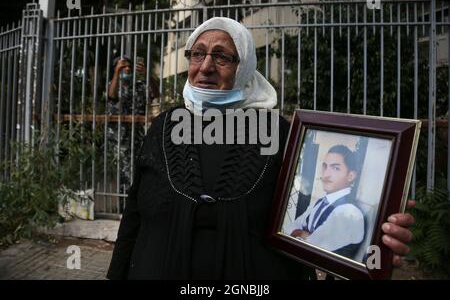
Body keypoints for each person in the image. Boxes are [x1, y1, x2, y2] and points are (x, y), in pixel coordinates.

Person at [107, 17, 415, 280]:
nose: (206, 67)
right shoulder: (164, 128)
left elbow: (313, 221)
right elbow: (134, 215)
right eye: (197, 54)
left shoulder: (282, 137)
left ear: (245, 66)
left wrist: (374, 238)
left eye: (222, 57)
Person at [285, 145, 365, 259]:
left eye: (335, 168)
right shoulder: (320, 202)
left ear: (350, 176)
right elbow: (289, 228)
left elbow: (310, 247)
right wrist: (302, 234)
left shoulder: (350, 212)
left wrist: (302, 233)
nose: (326, 174)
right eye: (325, 166)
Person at [107, 56, 158, 198]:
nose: (127, 68)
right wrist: (117, 73)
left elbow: (155, 93)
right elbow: (111, 96)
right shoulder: (114, 85)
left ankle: (139, 200)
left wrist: (147, 74)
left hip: (138, 135)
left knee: (140, 168)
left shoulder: (140, 85)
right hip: (119, 137)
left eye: (128, 66)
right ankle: (123, 203)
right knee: (123, 171)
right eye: (122, 66)